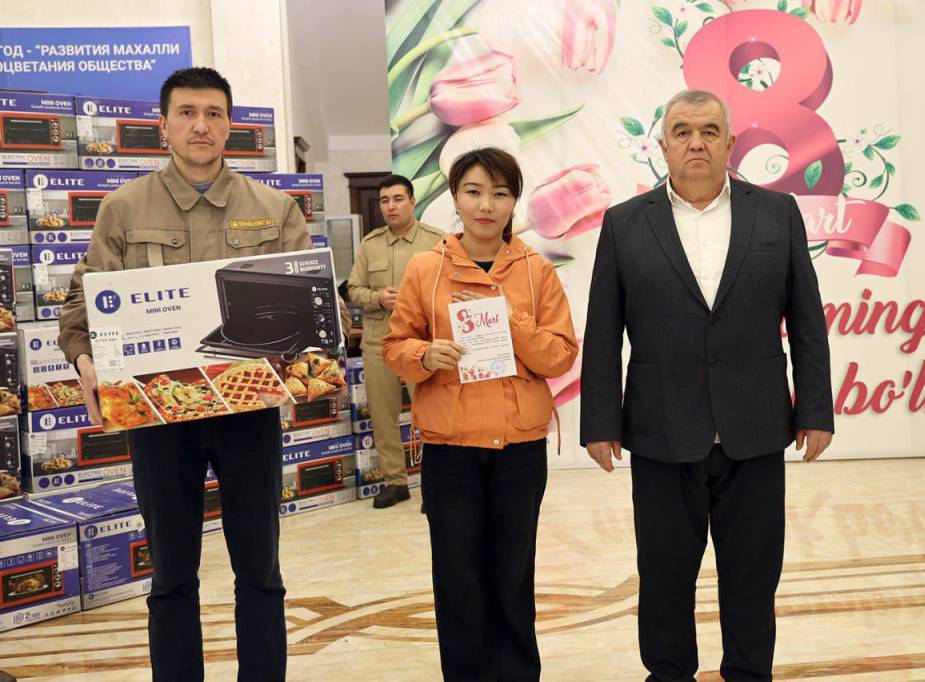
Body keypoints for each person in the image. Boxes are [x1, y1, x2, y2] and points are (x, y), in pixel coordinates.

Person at [58, 67, 349, 682]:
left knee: (260, 571)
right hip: (158, 415)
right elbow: (81, 305)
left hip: (250, 412)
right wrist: (85, 362)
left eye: (213, 113)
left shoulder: (274, 209)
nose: (200, 125)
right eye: (187, 113)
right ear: (163, 125)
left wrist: (324, 340)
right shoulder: (122, 208)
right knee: (170, 575)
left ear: (230, 125)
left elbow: (319, 305)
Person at [580, 89, 835, 681]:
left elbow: (806, 319)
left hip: (756, 427)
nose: (696, 142)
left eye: (709, 131)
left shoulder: (777, 213)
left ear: (730, 143)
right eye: (683, 131)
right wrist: (600, 423)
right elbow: (603, 330)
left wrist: (814, 409)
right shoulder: (624, 223)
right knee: (664, 576)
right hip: (661, 429)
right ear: (663, 145)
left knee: (753, 576)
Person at [382, 147, 577, 680]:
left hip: (519, 451)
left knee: (513, 576)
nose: (486, 205)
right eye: (473, 192)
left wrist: (513, 321)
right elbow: (395, 346)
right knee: (458, 579)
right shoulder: (426, 269)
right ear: (455, 197)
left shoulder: (536, 271)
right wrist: (425, 355)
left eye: (499, 193)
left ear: (514, 201)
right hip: (451, 451)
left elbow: (560, 355)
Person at [347, 174, 445, 508]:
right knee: (383, 417)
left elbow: (451, 285)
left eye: (398, 199)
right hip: (379, 343)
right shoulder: (370, 244)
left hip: (423, 345)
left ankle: (435, 485)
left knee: (431, 416)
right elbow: (353, 289)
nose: (391, 206)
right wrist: (378, 298)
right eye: (385, 200)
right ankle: (395, 482)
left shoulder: (437, 241)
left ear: (413, 202)